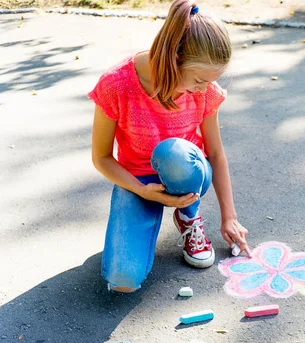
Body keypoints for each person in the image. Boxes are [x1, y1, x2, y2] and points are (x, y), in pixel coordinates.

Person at [89, 0, 250, 293]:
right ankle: (135, 232)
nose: (204, 89)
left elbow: (215, 153)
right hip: (136, 181)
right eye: (199, 80)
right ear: (173, 58)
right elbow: (101, 157)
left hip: (186, 173)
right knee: (123, 281)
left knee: (171, 153)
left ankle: (189, 216)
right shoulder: (116, 84)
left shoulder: (205, 92)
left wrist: (230, 217)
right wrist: (140, 189)